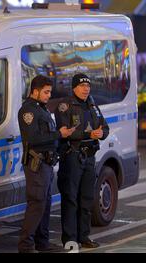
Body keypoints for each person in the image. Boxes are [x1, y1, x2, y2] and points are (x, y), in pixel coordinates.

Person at [17, 75, 75, 253]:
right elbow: (33, 138)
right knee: (37, 203)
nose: (49, 95)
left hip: (47, 164)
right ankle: (25, 246)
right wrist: (59, 134)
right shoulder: (28, 111)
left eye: (50, 92)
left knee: (45, 204)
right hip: (37, 163)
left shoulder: (41, 109)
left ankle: (42, 243)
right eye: (46, 92)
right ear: (35, 91)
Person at [54, 73, 109, 249]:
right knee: (70, 199)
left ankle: (84, 237)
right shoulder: (65, 106)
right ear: (74, 88)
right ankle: (70, 239)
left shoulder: (92, 105)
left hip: (89, 157)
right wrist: (88, 134)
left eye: (88, 86)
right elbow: (64, 132)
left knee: (86, 199)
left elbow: (104, 127)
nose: (86, 89)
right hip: (72, 157)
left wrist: (102, 134)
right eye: (82, 86)